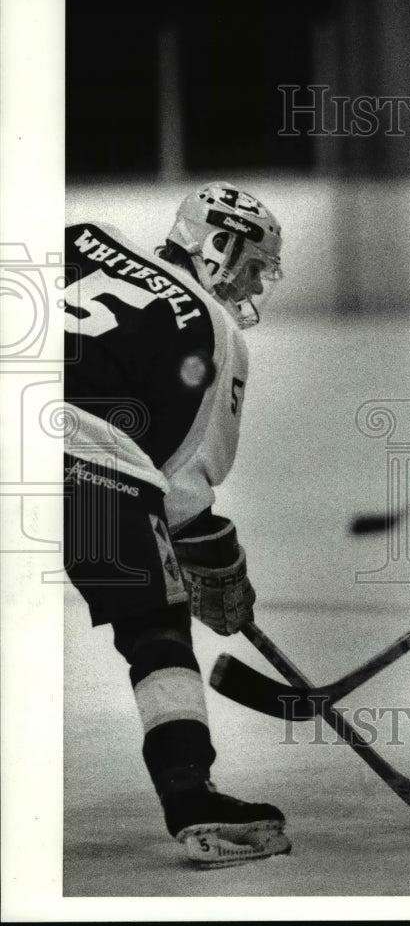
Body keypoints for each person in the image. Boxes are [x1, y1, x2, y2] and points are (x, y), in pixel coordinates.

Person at [63, 181, 292, 867]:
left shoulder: (86, 235)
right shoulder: (215, 332)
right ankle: (193, 799)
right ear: (216, 243)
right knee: (155, 625)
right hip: (78, 451)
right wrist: (220, 569)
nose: (253, 283)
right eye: (252, 265)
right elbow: (185, 489)